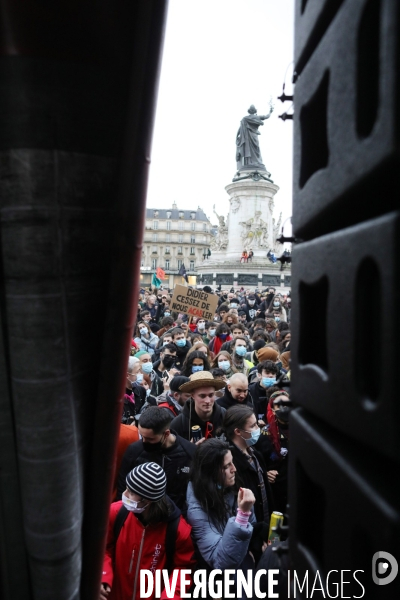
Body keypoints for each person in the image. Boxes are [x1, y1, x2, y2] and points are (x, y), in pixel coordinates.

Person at [101, 462, 195, 600]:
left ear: (148, 501)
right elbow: (102, 549)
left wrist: (171, 596)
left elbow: (183, 569)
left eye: (131, 493)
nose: (125, 494)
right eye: (127, 488)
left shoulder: (178, 530)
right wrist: (104, 576)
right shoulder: (115, 513)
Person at [186, 438, 258, 595]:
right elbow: (220, 561)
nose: (234, 469)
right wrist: (242, 515)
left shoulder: (228, 486)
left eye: (232, 462)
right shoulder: (197, 508)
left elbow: (252, 525)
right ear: (211, 472)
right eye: (227, 466)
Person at [117, 407, 195, 511]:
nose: (144, 442)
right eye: (142, 436)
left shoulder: (190, 453)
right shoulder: (134, 451)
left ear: (166, 434)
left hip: (175, 517)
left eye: (150, 439)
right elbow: (123, 487)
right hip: (141, 514)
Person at [221, 405, 272, 524]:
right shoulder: (231, 464)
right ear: (238, 431)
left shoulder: (255, 453)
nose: (258, 428)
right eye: (253, 426)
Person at [258, 390, 292, 513]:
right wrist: (265, 473)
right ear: (272, 409)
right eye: (279, 405)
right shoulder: (265, 434)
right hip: (276, 493)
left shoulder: (303, 429)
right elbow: (259, 461)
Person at [170, 371, 226, 441]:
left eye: (211, 395)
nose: (207, 401)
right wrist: (191, 449)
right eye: (202, 396)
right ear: (192, 395)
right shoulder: (178, 424)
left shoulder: (225, 416)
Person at [236, 104, 273, 171]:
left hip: (247, 137)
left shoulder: (245, 118)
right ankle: (254, 162)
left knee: (249, 149)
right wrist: (270, 112)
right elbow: (266, 116)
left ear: (249, 111)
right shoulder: (256, 117)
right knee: (256, 149)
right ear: (254, 111)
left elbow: (240, 129)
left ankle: (250, 162)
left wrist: (238, 135)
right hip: (253, 136)